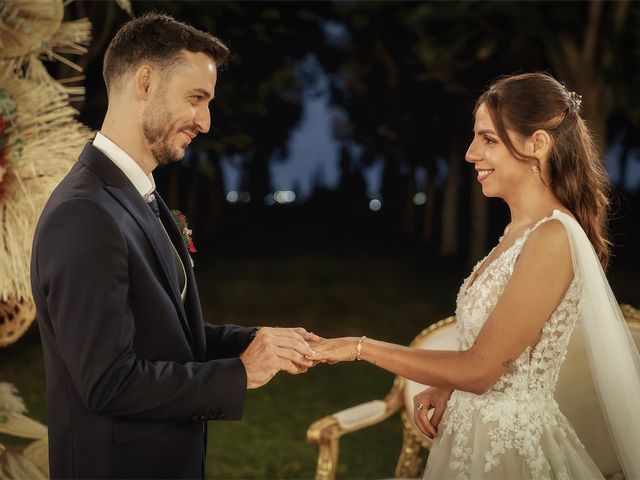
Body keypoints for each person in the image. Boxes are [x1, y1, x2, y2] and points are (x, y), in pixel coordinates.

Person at [30, 13, 317, 479]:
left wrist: (259, 341)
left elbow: (162, 333)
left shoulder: (136, 195)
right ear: (144, 82)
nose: (205, 122)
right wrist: (240, 373)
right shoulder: (83, 213)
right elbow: (107, 382)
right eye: (196, 99)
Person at [311, 72, 640, 479]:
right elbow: (505, 345)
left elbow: (480, 370)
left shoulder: (553, 237)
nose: (470, 154)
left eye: (488, 139)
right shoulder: (518, 233)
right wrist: (448, 384)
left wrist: (360, 347)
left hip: (507, 451)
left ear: (536, 144)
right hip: (471, 435)